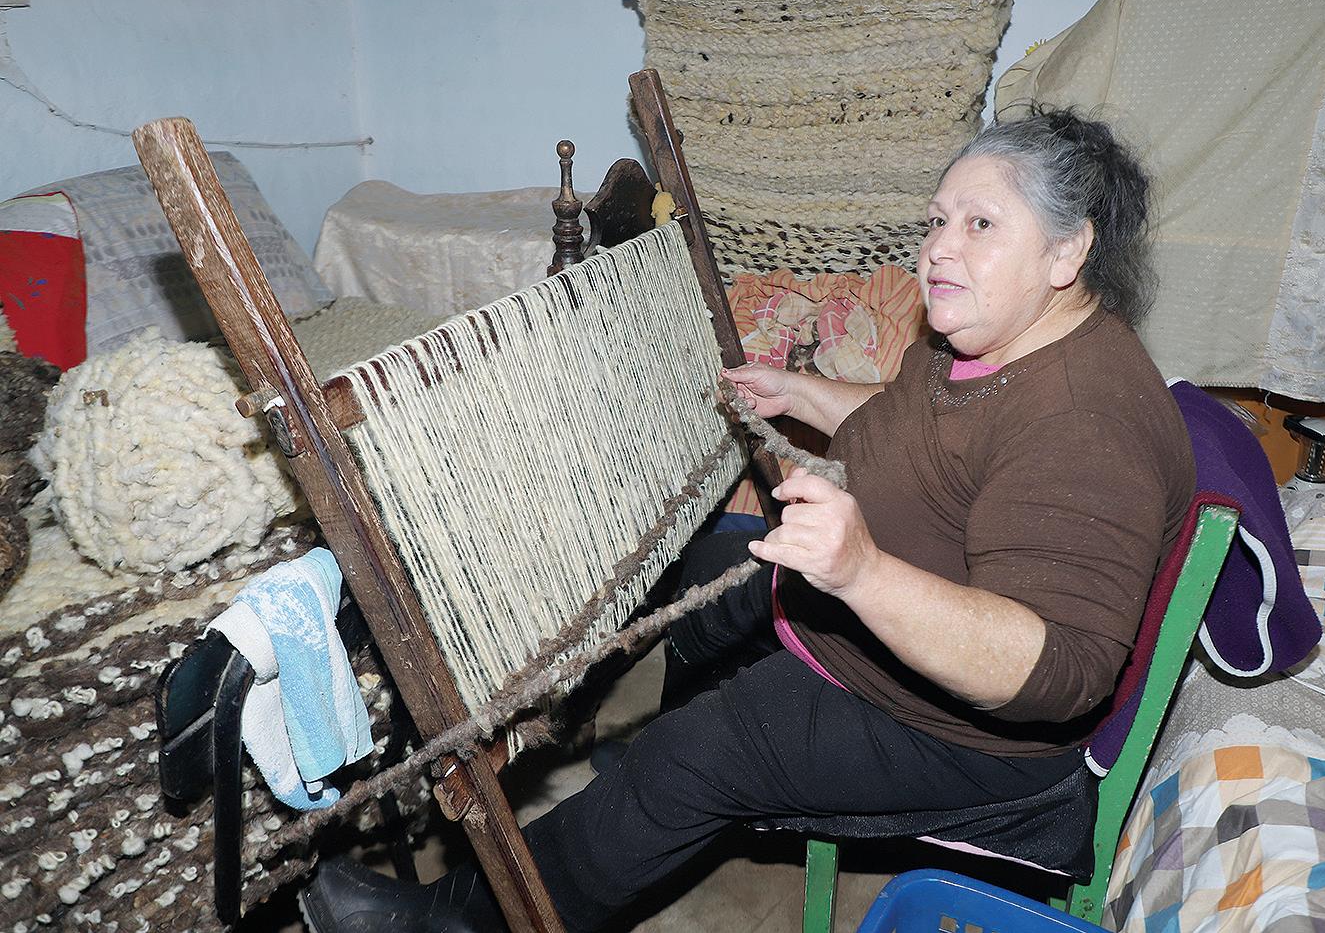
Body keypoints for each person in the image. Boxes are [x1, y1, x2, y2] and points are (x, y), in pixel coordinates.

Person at [299, 107, 1196, 932]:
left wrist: (862, 571)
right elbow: (923, 431)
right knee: (713, 574)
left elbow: (1055, 671)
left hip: (968, 735)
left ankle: (459, 919)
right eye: (935, 220)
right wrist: (802, 392)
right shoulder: (997, 338)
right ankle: (646, 799)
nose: (937, 250)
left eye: (980, 224)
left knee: (706, 749)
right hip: (911, 613)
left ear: (1067, 251)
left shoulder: (1083, 421)